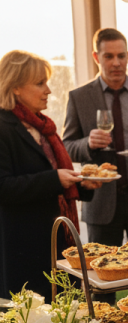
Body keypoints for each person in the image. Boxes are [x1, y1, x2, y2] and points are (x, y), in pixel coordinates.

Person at [0, 51, 100, 299]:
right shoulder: (3, 127)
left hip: (56, 240)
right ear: (15, 88)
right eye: (40, 83)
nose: (48, 90)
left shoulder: (42, 126)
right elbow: (3, 187)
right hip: (23, 247)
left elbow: (51, 176)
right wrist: (55, 180)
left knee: (66, 315)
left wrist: (83, 184)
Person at [63, 28, 128, 245]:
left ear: (127, 56)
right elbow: (67, 146)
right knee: (105, 273)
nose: (116, 62)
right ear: (96, 57)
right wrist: (88, 144)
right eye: (108, 56)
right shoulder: (79, 97)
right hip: (101, 204)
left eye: (121, 56)